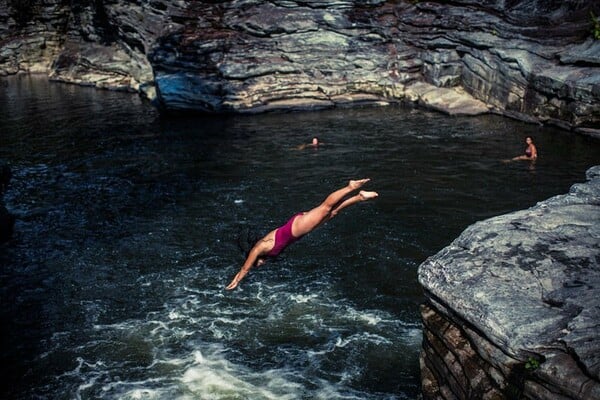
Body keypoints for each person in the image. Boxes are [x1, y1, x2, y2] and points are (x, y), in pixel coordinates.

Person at [226, 179, 378, 290]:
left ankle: (349, 187)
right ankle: (359, 197)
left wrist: (237, 280)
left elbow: (245, 268)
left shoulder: (260, 247)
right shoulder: (265, 246)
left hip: (297, 228)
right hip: (297, 229)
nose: (261, 265)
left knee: (325, 208)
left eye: (257, 264)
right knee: (332, 213)